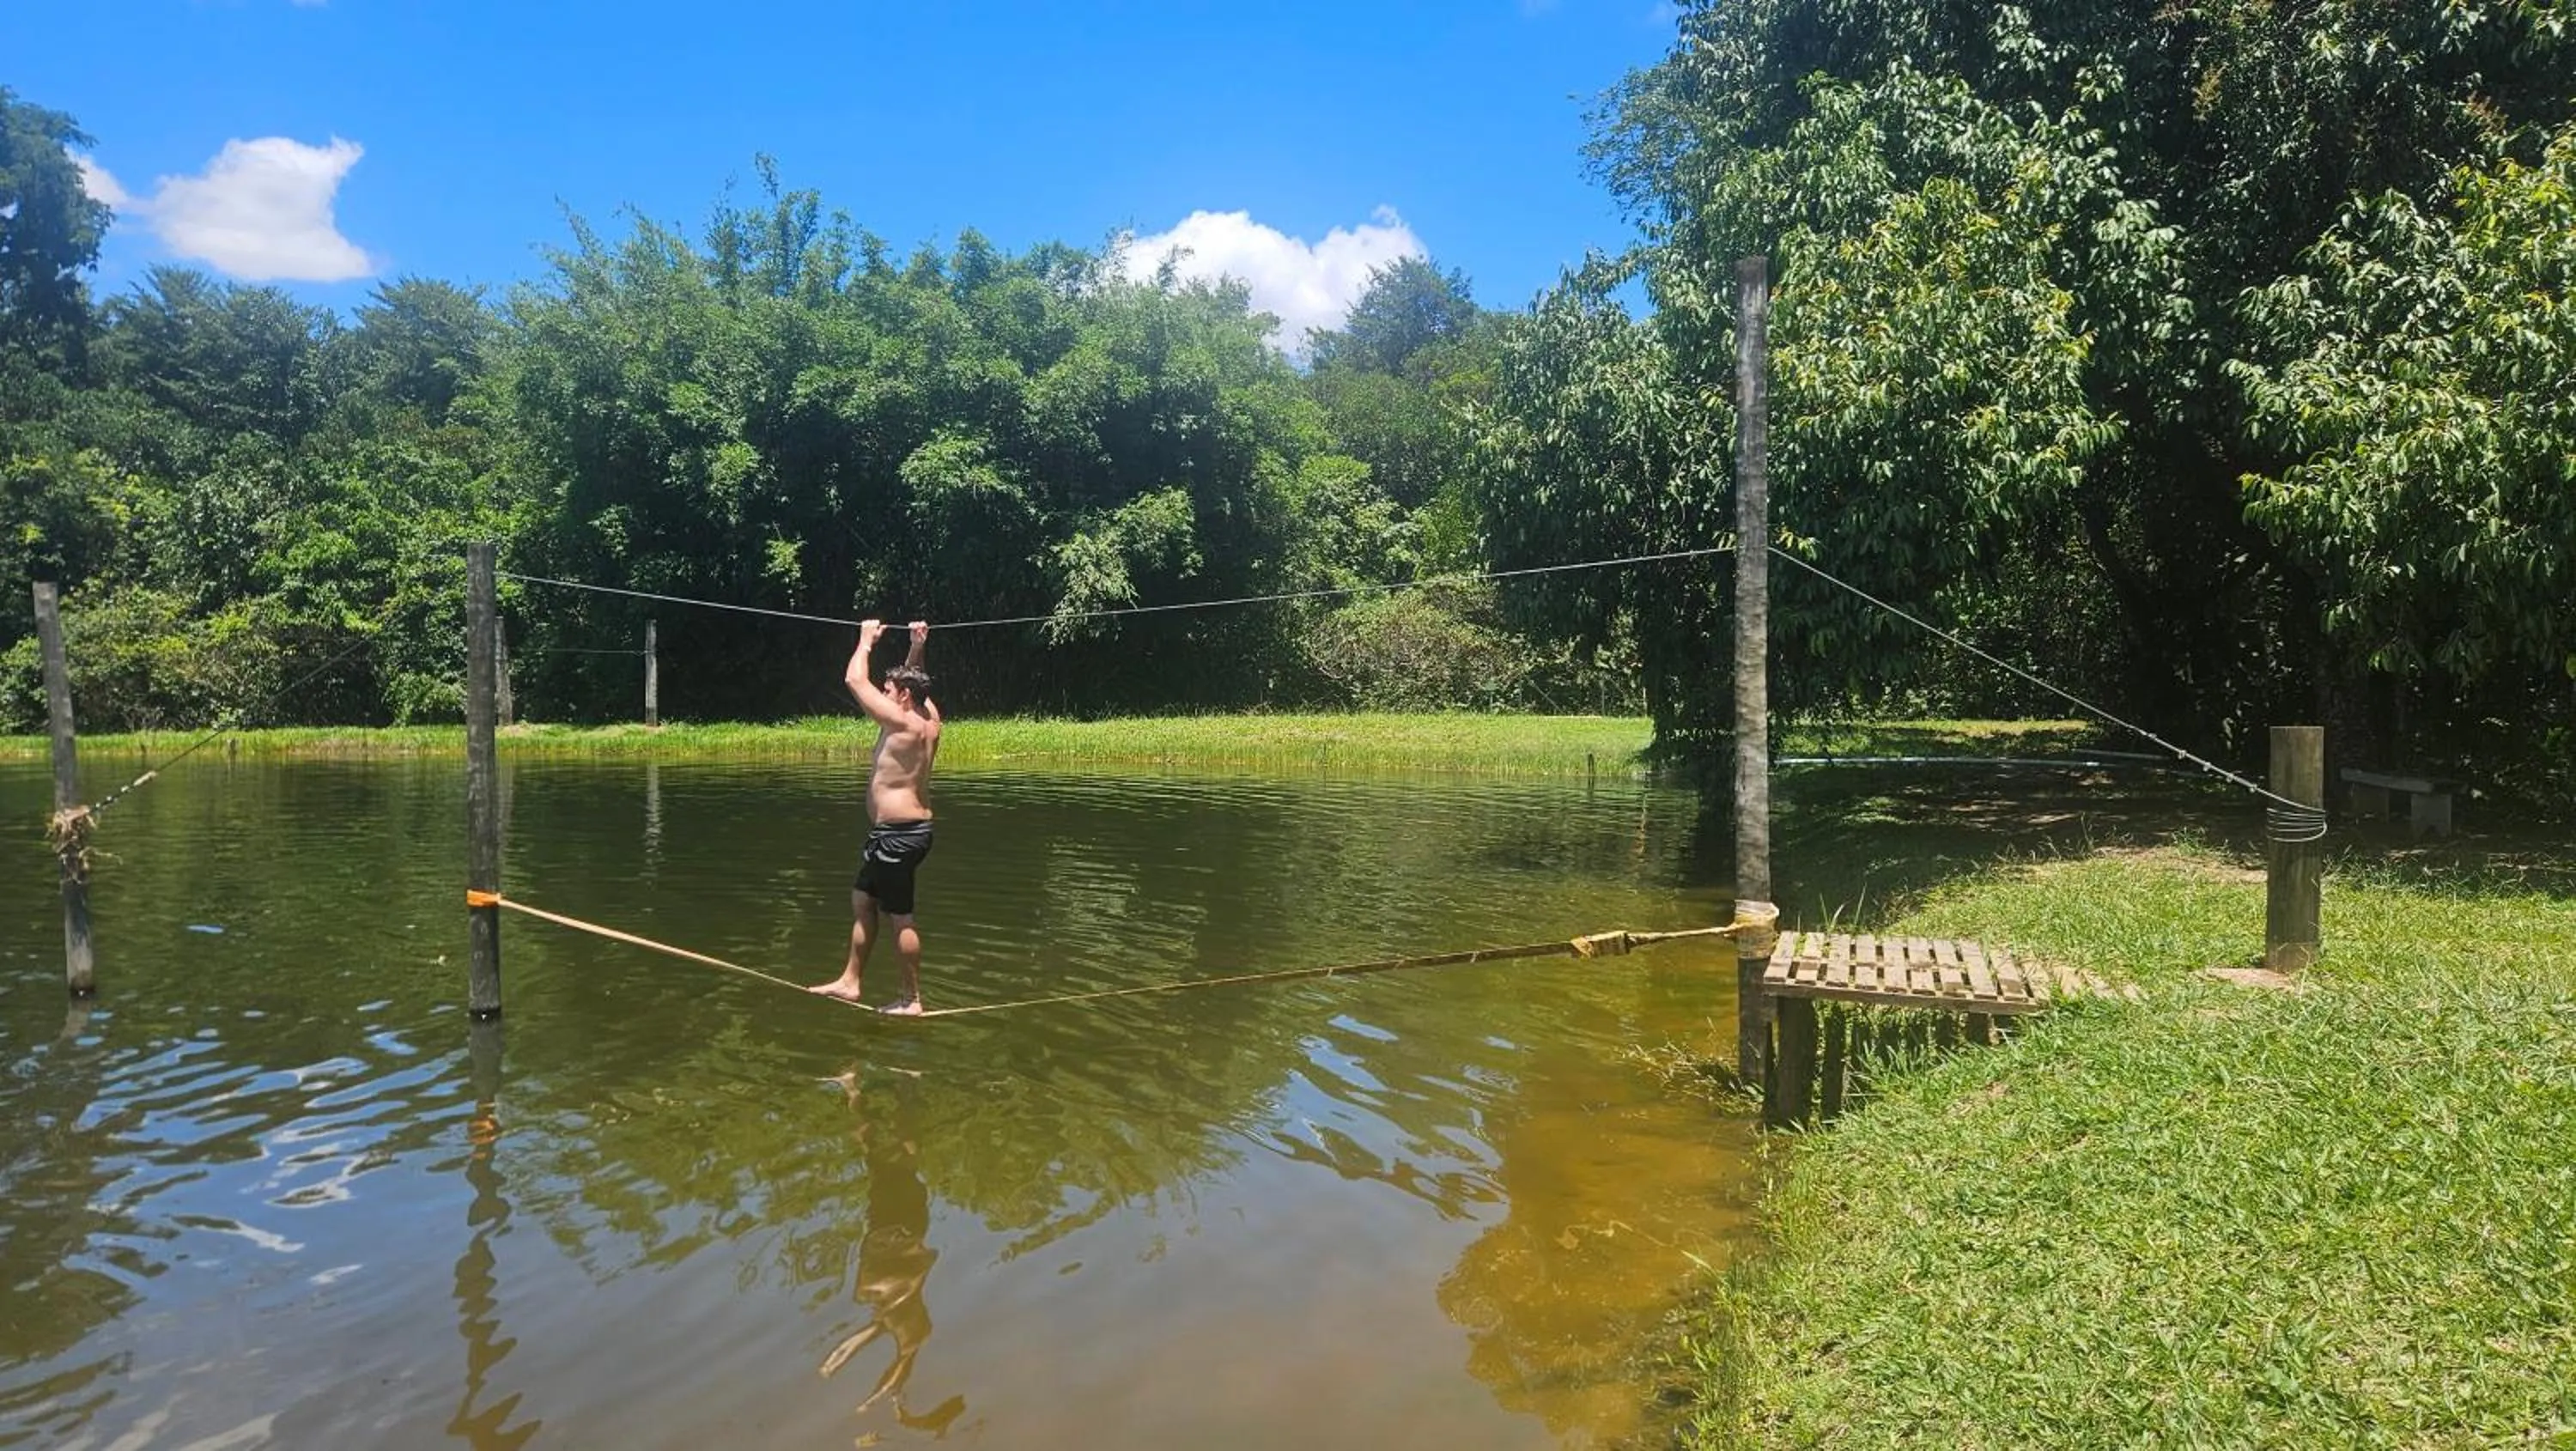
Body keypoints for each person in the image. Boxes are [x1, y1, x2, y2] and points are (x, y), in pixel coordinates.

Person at [810, 619, 940, 1014]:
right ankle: (851, 981)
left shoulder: (900, 722)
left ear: (901, 698)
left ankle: (911, 998)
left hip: (899, 836)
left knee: (900, 917)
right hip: (897, 834)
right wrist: (916, 647)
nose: (883, 696)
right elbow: (915, 684)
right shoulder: (929, 719)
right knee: (863, 900)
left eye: (889, 691)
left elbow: (854, 679)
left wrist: (866, 640)